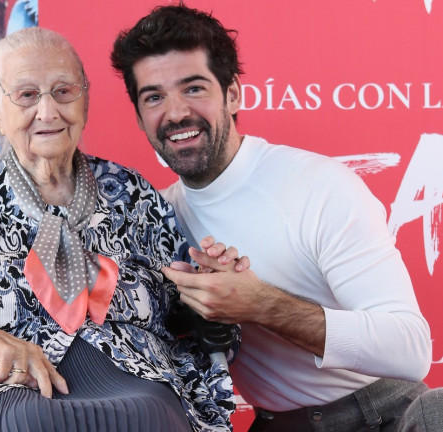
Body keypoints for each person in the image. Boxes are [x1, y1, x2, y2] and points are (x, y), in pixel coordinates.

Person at [0, 27, 245, 432]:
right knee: (25, 421)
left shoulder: (130, 191)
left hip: (139, 377)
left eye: (64, 91)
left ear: (85, 100)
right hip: (1, 387)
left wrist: (211, 286)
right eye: (26, 95)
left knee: (150, 413)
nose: (48, 112)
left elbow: (190, 307)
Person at [109, 4, 443, 432]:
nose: (175, 113)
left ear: (233, 95)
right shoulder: (154, 218)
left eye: (193, 88)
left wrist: (260, 303)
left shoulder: (319, 186)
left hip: (385, 416)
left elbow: (410, 349)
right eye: (154, 96)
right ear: (139, 117)